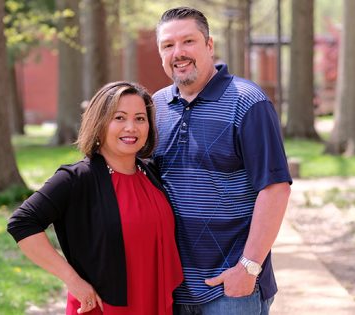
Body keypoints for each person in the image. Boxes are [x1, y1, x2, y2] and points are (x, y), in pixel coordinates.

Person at [152, 7, 292, 315]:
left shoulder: (248, 101)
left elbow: (276, 188)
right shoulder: (155, 107)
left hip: (230, 288)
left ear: (209, 45)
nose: (178, 53)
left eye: (188, 41)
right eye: (168, 45)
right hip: (169, 285)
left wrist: (248, 267)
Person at [7, 81, 183, 315]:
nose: (131, 127)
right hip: (104, 308)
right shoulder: (77, 178)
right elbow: (22, 223)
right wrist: (72, 280)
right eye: (119, 118)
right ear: (100, 123)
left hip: (152, 303)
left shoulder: (150, 173)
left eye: (140, 118)